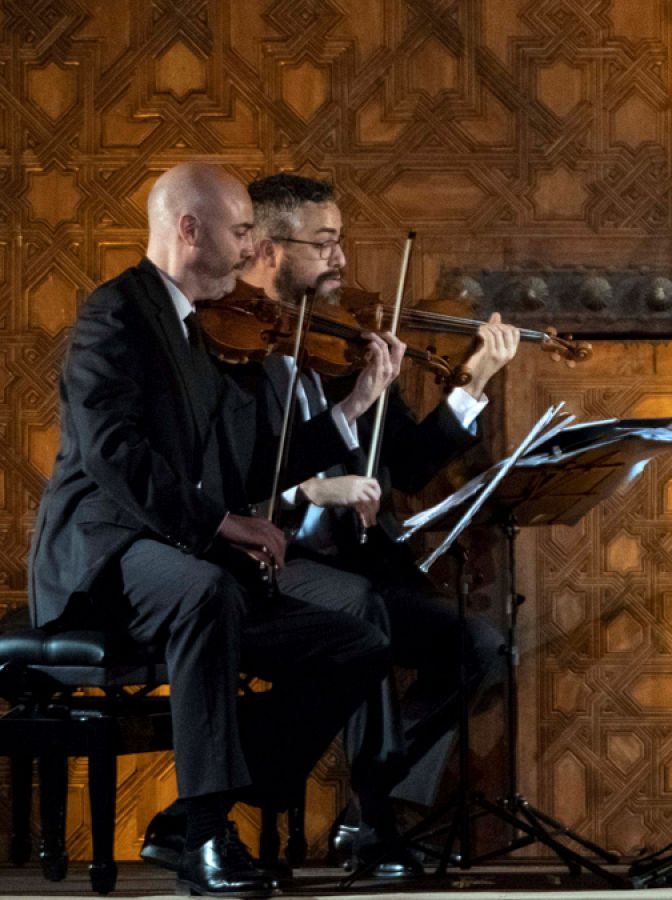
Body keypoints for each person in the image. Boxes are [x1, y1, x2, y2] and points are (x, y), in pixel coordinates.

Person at [27, 162, 402, 897]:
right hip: (103, 551)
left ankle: (188, 817)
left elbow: (250, 463)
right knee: (205, 592)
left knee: (355, 643)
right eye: (241, 232)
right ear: (190, 229)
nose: (250, 249)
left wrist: (353, 407)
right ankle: (204, 837)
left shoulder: (203, 332)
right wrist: (220, 524)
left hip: (176, 551)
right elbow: (112, 453)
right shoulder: (116, 313)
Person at [235, 172, 517, 873]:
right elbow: (225, 476)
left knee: (479, 648)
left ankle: (371, 805)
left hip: (352, 567)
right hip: (267, 569)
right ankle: (374, 819)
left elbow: (412, 466)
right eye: (324, 243)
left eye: (341, 242)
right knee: (363, 609)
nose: (340, 260)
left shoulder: (340, 352)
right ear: (269, 249)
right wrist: (309, 489)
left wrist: (476, 378)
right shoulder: (233, 356)